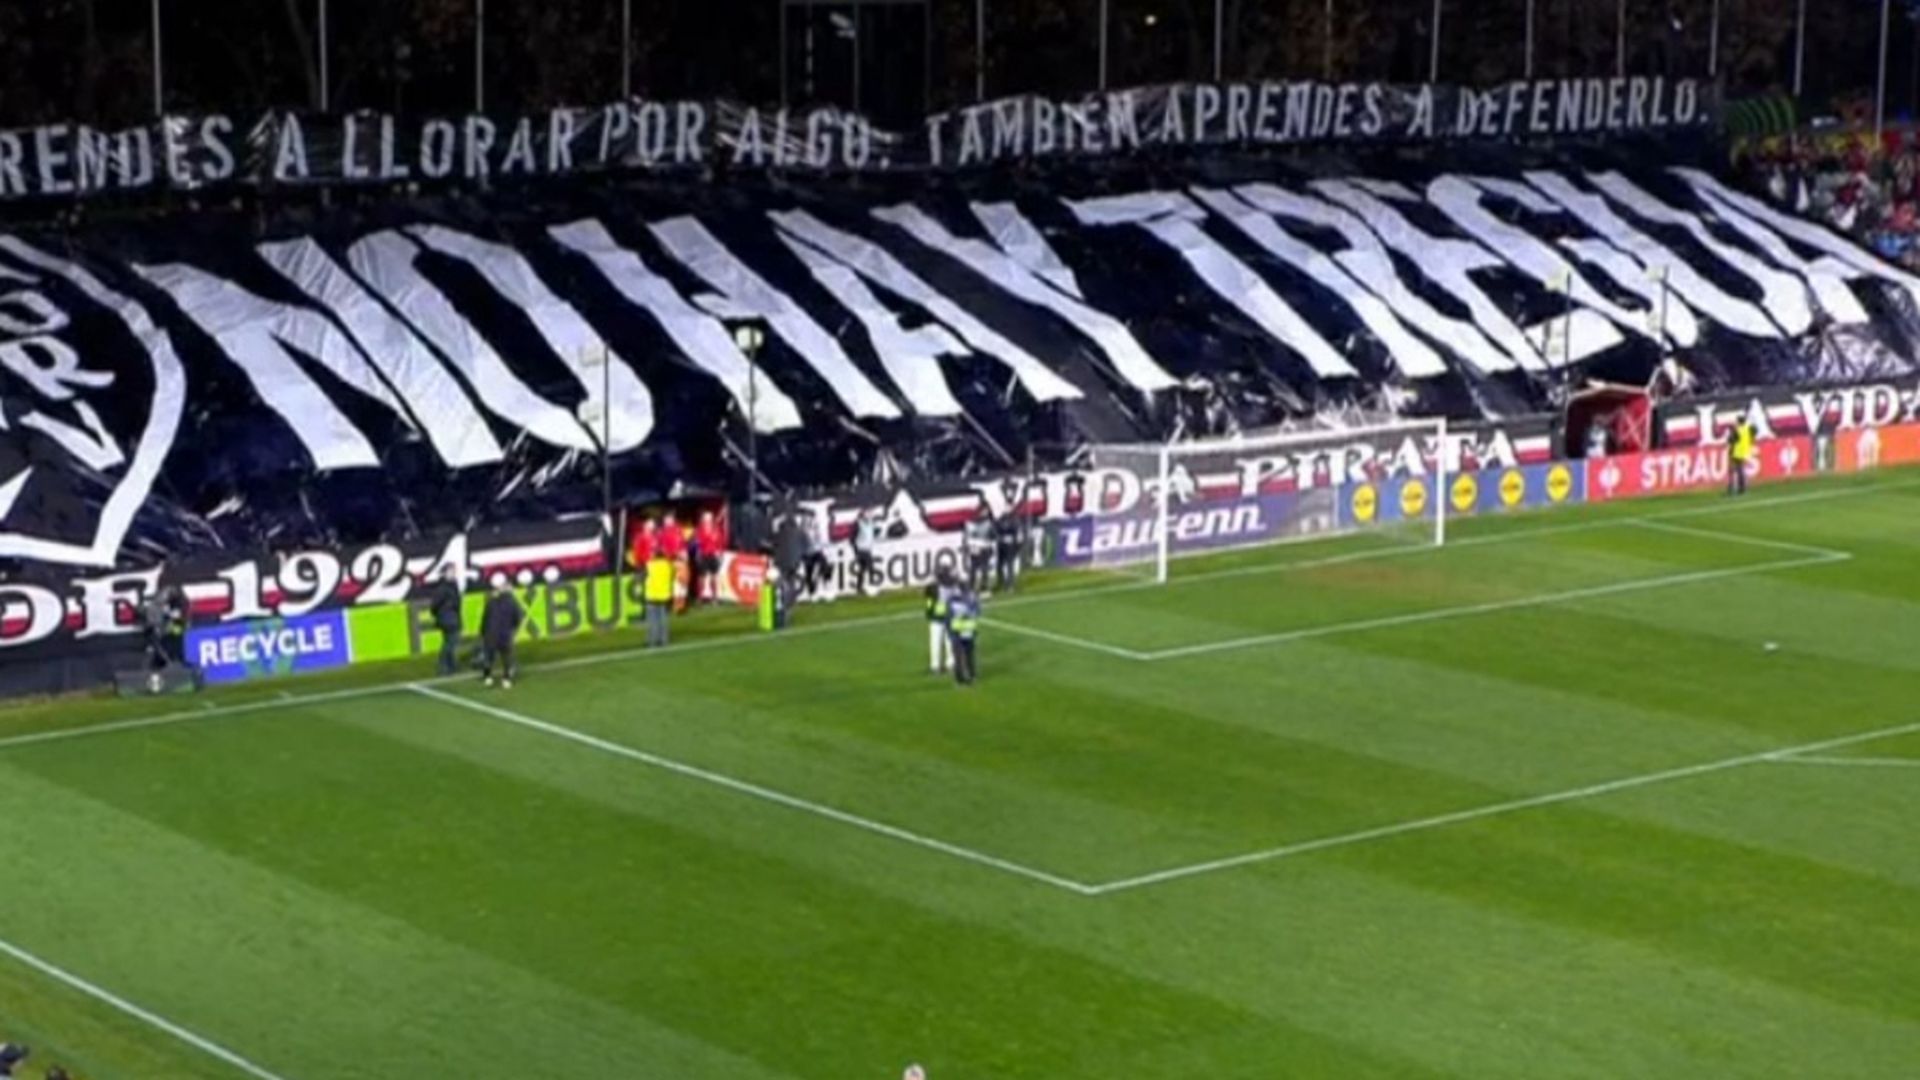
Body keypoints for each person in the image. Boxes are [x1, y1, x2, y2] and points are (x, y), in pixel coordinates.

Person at [478, 579, 524, 688]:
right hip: (505, 633)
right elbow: (517, 618)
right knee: (506, 656)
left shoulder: (492, 601)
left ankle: (487, 676)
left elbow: (485, 618)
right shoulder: (512, 602)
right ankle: (506, 679)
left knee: (489, 656)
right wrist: (513, 628)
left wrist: (483, 631)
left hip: (491, 632)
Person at [427, 568, 465, 675]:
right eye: (450, 572)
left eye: (453, 572)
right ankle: (444, 667)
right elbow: (434, 605)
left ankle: (450, 666)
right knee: (450, 643)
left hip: (452, 618)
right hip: (448, 619)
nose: (453, 574)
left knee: (450, 643)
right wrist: (442, 615)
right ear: (444, 574)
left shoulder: (452, 586)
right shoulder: (444, 588)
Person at [923, 566, 957, 674]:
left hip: (937, 618)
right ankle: (949, 663)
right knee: (949, 641)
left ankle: (936, 665)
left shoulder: (932, 587)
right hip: (946, 617)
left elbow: (928, 602)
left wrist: (929, 614)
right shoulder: (951, 585)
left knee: (936, 642)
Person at [946, 583, 981, 686]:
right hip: (967, 630)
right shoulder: (972, 598)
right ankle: (971, 676)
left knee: (959, 657)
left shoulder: (952, 600)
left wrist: (949, 631)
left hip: (957, 631)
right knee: (968, 655)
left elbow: (947, 617)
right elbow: (978, 612)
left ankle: (961, 679)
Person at [644, 548, 675, 647]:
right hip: (664, 595)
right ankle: (664, 640)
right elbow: (672, 576)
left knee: (652, 620)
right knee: (663, 618)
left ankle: (652, 641)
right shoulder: (668, 565)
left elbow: (644, 575)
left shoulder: (650, 565)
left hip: (652, 595)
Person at [694, 509, 725, 603]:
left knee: (714, 576)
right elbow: (697, 542)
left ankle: (714, 597)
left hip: (713, 555)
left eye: (710, 518)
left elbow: (720, 542)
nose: (708, 520)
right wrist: (698, 551)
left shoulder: (716, 529)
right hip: (703, 555)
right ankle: (700, 596)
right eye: (706, 518)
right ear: (703, 519)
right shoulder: (700, 529)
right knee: (701, 577)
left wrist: (719, 552)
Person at [803, 509, 831, 596]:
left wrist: (822, 544)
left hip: (816, 551)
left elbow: (820, 539)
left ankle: (825, 581)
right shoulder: (803, 528)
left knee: (825, 564)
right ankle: (811, 591)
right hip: (807, 553)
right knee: (809, 572)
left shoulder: (816, 527)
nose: (812, 520)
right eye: (810, 517)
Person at [851, 510, 879, 596]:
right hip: (861, 549)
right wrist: (855, 550)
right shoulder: (858, 524)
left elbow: (874, 532)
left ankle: (859, 588)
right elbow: (852, 538)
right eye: (867, 514)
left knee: (863, 569)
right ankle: (871, 586)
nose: (869, 515)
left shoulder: (870, 523)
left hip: (867, 549)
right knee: (870, 567)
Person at [1728, 415, 1756, 496]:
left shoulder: (1738, 430)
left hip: (1737, 451)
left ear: (1739, 422)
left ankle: (1740, 488)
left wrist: (1731, 432)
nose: (1735, 422)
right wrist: (1751, 440)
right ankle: (1741, 487)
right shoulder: (1747, 428)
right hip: (1745, 450)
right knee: (1740, 470)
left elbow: (1731, 440)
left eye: (1736, 421)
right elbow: (1754, 432)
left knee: (1738, 470)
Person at [965, 511, 994, 593]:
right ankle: (974, 587)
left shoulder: (987, 524)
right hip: (977, 548)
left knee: (981, 568)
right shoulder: (971, 524)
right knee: (975, 569)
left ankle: (982, 587)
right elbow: (968, 538)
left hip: (982, 548)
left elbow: (993, 536)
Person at [994, 511, 1021, 592]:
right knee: (999, 565)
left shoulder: (1014, 520)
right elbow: (996, 530)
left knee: (1009, 565)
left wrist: (1015, 544)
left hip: (1010, 544)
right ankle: (1001, 583)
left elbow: (1015, 532)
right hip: (1001, 544)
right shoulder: (1000, 519)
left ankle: (1010, 585)